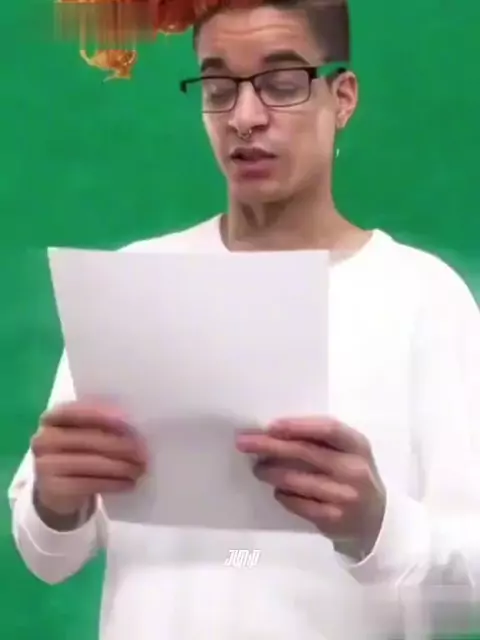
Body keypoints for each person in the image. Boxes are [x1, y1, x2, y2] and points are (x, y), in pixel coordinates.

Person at [8, 0, 480, 639]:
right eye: (218, 88)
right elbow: (46, 555)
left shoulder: (423, 297)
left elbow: (470, 592)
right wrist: (54, 499)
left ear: (342, 97)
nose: (245, 117)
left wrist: (377, 523)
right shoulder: (138, 282)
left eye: (281, 84)